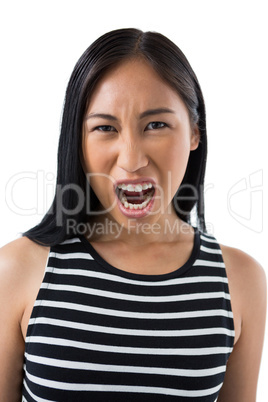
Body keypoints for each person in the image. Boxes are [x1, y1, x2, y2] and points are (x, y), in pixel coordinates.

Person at [0, 28, 266, 402]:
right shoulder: (18, 269)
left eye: (156, 125)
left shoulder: (240, 280)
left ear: (194, 131)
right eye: (105, 128)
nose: (131, 159)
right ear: (77, 139)